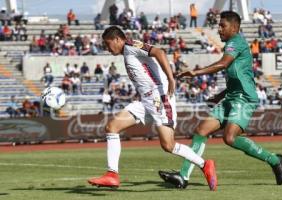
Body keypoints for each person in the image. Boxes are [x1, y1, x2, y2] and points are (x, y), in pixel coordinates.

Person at [159, 11, 282, 188]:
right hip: (231, 96)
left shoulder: (236, 42)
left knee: (230, 137)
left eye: (222, 26)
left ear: (235, 27)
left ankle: (273, 160)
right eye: (219, 25)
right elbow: (237, 76)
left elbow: (223, 64)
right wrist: (219, 96)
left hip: (243, 98)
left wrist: (196, 72)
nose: (219, 29)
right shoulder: (233, 45)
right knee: (201, 131)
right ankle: (183, 177)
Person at [87, 26, 217, 190]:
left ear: (117, 39)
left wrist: (171, 79)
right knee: (112, 127)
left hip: (159, 99)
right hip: (145, 101)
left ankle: (205, 164)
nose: (107, 48)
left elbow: (160, 52)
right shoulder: (127, 52)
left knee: (168, 145)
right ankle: (112, 175)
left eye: (107, 44)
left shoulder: (131, 46)